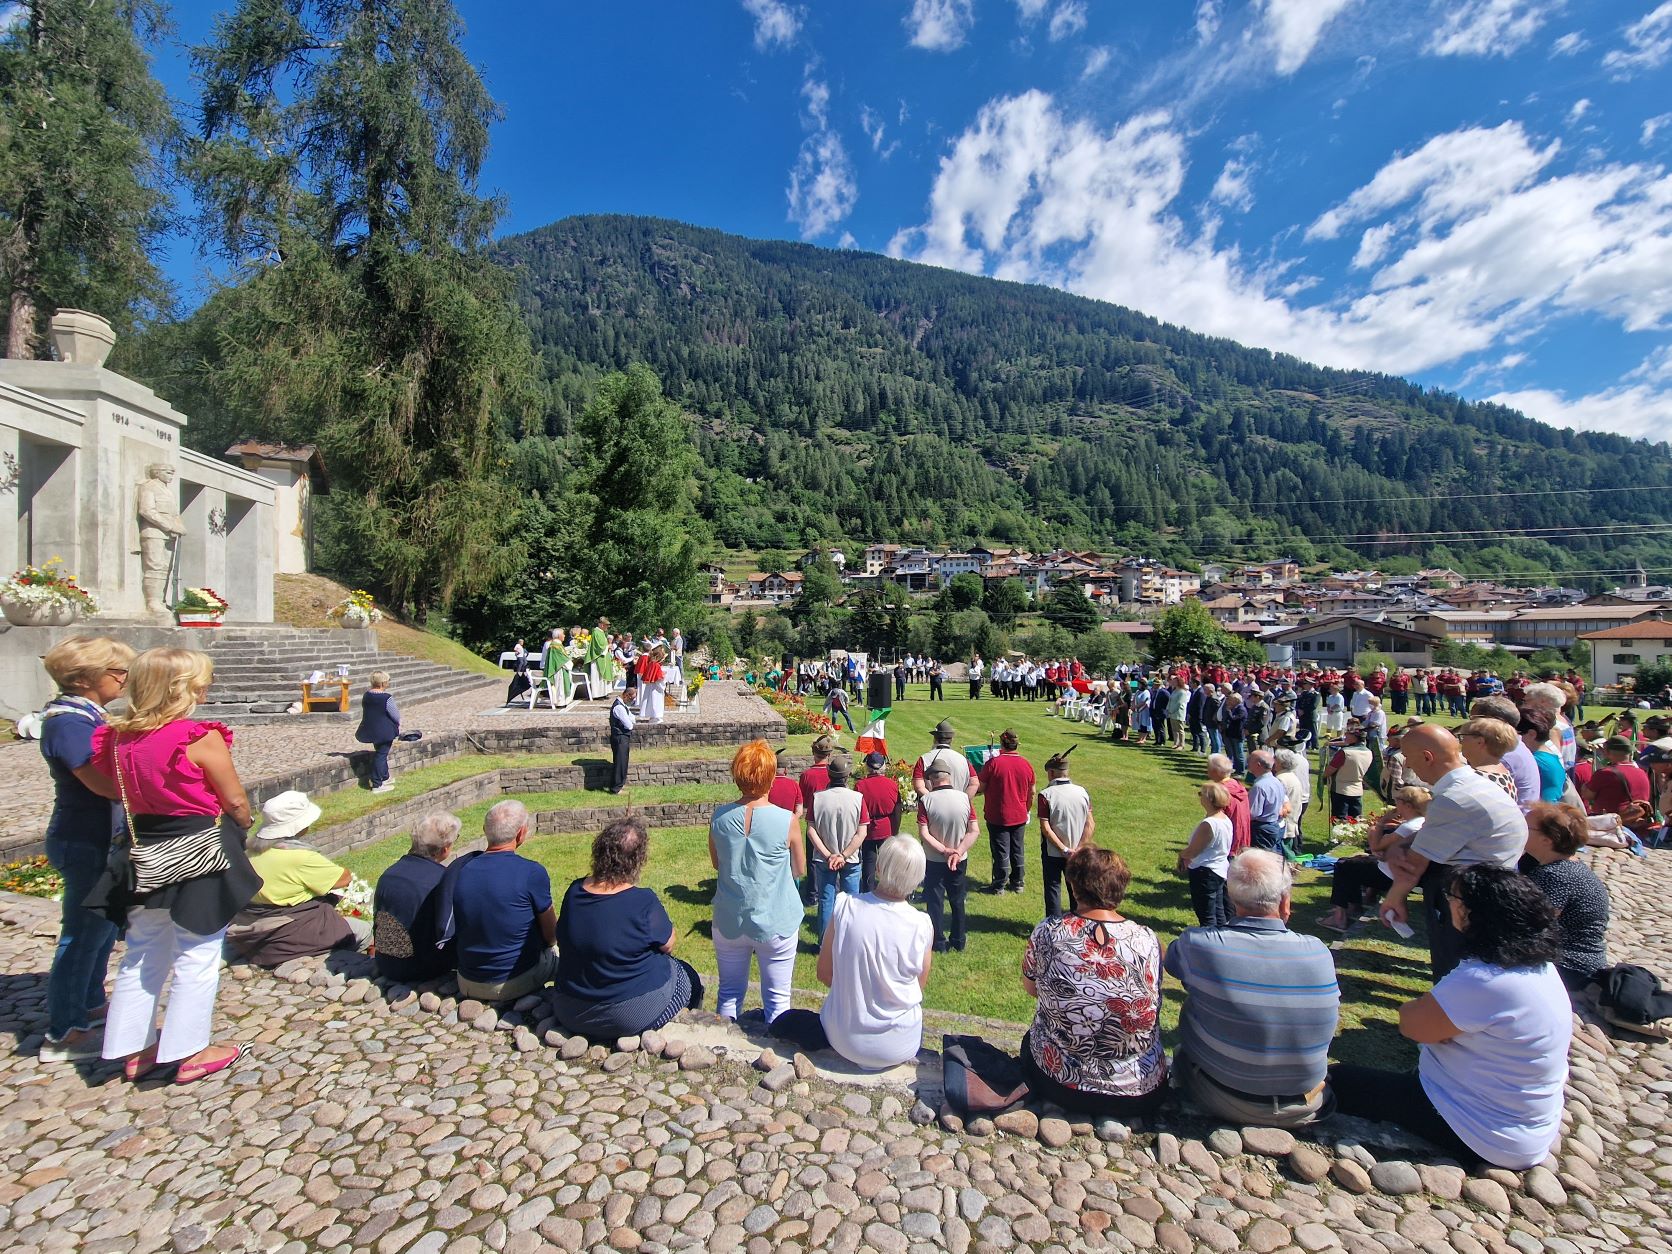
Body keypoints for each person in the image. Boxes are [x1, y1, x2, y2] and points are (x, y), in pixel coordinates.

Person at [87, 648, 260, 1084]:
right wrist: (243, 825)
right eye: (200, 682)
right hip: (197, 846)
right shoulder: (197, 737)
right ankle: (189, 1049)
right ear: (181, 688)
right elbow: (235, 799)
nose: (206, 689)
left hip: (144, 845)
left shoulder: (116, 738)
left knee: (142, 949)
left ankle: (133, 1048)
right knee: (197, 952)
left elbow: (111, 787)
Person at [1331, 865, 1572, 1170]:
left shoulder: (1486, 979)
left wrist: (1430, 1017)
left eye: (1451, 897)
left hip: (1483, 1129)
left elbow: (1412, 1025)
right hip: (1517, 1121)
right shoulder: (1538, 967)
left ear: (1471, 913)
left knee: (1339, 1080)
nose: (1447, 903)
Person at [1166, 850, 1340, 1127]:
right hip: (1304, 1103)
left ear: (1232, 897)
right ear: (1285, 901)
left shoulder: (1199, 945)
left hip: (1218, 1093)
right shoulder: (1319, 953)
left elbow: (1171, 962)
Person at [35, 637, 134, 1063]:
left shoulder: (86, 715)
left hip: (99, 836)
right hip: (85, 838)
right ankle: (65, 1030)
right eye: (118, 673)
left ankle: (89, 1004)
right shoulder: (69, 722)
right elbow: (101, 782)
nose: (123, 680)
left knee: (101, 930)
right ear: (88, 677)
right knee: (81, 935)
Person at [1020, 847, 1167, 1118]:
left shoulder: (1049, 931)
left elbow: (1031, 988)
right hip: (1139, 1088)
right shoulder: (1148, 940)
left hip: (1061, 1082)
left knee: (1034, 1036)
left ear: (1075, 888)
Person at [769, 835, 934, 1069]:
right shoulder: (922, 925)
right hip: (900, 1042)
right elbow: (919, 985)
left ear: (878, 868)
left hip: (844, 1037)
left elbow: (825, 974)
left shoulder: (845, 906)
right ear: (919, 878)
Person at [1380, 724, 1528, 980]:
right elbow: (1427, 835)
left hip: (1465, 894)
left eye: (1410, 760)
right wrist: (1401, 846)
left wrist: (1394, 898)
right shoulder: (1474, 784)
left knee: (1453, 968)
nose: (1410, 767)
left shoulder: (1453, 798)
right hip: (1490, 883)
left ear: (1427, 757)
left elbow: (1413, 864)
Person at [551, 818, 703, 1038]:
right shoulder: (642, 901)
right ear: (637, 860)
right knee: (686, 975)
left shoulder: (575, 891)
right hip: (625, 1015)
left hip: (570, 1008)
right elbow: (668, 944)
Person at [710, 740, 807, 1022]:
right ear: (770, 778)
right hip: (776, 918)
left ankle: (724, 1047)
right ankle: (774, 1056)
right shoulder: (786, 819)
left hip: (730, 916)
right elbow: (799, 868)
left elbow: (718, 863)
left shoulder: (719, 817)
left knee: (729, 992)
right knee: (778, 998)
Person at [226, 792, 369, 967]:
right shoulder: (299, 858)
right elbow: (343, 878)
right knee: (367, 931)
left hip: (250, 935)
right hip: (287, 936)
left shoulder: (248, 853)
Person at [442, 800, 560, 1001]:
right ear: (521, 833)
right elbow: (551, 935)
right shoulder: (531, 872)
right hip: (514, 979)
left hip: (467, 979)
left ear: (484, 830)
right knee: (564, 953)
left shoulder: (461, 869)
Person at [1518, 803, 1610, 991]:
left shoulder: (1557, 876)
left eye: (1526, 827)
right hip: (1580, 961)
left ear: (1547, 840)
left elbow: (1532, 924)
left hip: (1572, 965)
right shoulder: (1562, 866)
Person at [1319, 786, 1430, 933]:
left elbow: (1376, 847)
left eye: (1398, 801)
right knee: (1356, 862)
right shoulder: (1421, 821)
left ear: (1408, 805)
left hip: (1391, 875)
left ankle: (1339, 917)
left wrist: (1379, 824)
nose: (1396, 804)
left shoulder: (1408, 827)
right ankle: (1354, 905)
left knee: (1343, 865)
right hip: (1404, 872)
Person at [372, 814, 458, 985]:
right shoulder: (443, 881)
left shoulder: (389, 874)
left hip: (386, 962)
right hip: (423, 967)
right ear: (445, 848)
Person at [917, 762, 979, 953]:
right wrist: (958, 851)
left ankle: (938, 942)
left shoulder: (926, 801)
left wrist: (944, 850)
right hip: (960, 858)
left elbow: (924, 834)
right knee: (957, 898)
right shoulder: (964, 799)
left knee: (935, 901)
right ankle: (959, 939)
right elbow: (974, 830)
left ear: (932, 779)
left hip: (934, 859)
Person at [808, 755, 870, 940]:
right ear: (847, 775)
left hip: (824, 859)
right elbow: (862, 833)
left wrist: (828, 856)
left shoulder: (817, 798)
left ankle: (824, 943)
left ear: (829, 774)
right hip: (850, 859)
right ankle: (851, 943)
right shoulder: (858, 798)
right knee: (852, 903)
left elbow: (811, 830)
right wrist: (843, 855)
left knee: (826, 900)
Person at [978, 730, 1035, 894]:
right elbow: (1031, 791)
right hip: (1019, 814)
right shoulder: (1026, 764)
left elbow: (981, 787)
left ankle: (999, 885)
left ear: (1002, 744)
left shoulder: (993, 764)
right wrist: (1027, 810)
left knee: (1001, 851)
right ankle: (1018, 882)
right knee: (1018, 849)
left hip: (998, 815)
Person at [1038, 751, 1094, 918]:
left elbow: (1045, 828)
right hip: (1077, 852)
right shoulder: (1082, 792)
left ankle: (1052, 926)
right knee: (1076, 889)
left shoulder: (1046, 795)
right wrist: (1078, 848)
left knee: (1053, 888)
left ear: (1051, 773)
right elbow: (1090, 823)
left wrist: (1063, 849)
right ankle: (1078, 922)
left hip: (1053, 852)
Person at [1177, 782, 1233, 927]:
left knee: (1206, 914)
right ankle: (1222, 938)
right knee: (1218, 910)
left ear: (1209, 799)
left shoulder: (1209, 824)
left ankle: (1210, 941)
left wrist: (1182, 854)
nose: (1200, 797)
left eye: (1201, 794)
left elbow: (1193, 851)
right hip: (1219, 870)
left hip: (1205, 872)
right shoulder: (1225, 819)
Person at [855, 751, 904, 893]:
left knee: (869, 862)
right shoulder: (892, 785)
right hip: (887, 827)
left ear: (868, 767)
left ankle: (868, 891)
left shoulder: (860, 785)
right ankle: (888, 889)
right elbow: (897, 810)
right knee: (887, 862)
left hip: (868, 829)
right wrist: (895, 829)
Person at [1454, 717, 1520, 803]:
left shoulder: (1474, 779)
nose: (1461, 742)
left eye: (1463, 737)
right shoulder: (1504, 773)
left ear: (1480, 742)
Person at [356, 671, 400, 794]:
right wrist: (397, 724)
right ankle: (377, 784)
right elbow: (395, 714)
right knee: (381, 756)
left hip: (371, 729)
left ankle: (385, 777)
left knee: (381, 753)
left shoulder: (367, 695)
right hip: (384, 730)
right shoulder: (386, 698)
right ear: (383, 683)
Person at [912, 720, 975, 799]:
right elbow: (974, 783)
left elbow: (919, 786)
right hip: (959, 808)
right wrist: (964, 801)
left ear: (935, 739)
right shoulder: (963, 759)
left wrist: (932, 801)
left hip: (933, 809)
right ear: (951, 740)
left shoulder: (924, 759)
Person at [1323, 724, 1373, 820]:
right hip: (1358, 789)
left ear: (1355, 737)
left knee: (1339, 820)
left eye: (1348, 734)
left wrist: (1324, 776)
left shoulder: (1345, 752)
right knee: (1356, 820)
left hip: (1340, 789)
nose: (1345, 736)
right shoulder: (1368, 752)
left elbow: (1329, 770)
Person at [1517, 707, 1567, 804]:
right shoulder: (1550, 754)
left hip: (1541, 814)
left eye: (1516, 734)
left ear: (1532, 734)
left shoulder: (1535, 761)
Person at [1205, 754, 1250, 854]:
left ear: (1214, 771)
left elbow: (1215, 819)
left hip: (1226, 839)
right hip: (1242, 836)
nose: (1206, 770)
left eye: (1208, 767)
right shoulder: (1238, 786)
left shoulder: (1220, 791)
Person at [1246, 749, 1289, 855]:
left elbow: (1253, 813)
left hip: (1261, 830)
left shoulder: (1259, 786)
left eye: (1250, 760)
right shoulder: (1276, 781)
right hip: (1274, 826)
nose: (1248, 762)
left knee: (1261, 860)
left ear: (1258, 764)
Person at [608, 683, 638, 793]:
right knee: (620, 762)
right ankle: (616, 787)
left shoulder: (624, 706)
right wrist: (630, 722)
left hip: (623, 737)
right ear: (626, 695)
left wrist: (630, 721)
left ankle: (620, 784)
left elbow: (632, 718)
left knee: (623, 761)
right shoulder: (619, 707)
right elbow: (629, 725)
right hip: (620, 737)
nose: (632, 701)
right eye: (632, 698)